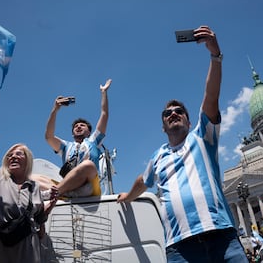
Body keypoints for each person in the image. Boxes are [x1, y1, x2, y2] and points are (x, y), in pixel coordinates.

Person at [117, 25, 248, 262]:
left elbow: (211, 97)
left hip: (222, 238)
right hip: (180, 248)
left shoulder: (203, 138)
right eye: (167, 113)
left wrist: (215, 57)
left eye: (179, 111)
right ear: (163, 126)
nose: (173, 113)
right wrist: (126, 197)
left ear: (189, 122)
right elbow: (141, 181)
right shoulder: (158, 156)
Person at [0, 107, 58, 263]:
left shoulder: (34, 186)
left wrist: (51, 204)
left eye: (19, 154)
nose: (13, 156)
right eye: (10, 155)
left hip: (28, 254)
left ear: (27, 160)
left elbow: (39, 219)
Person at [41, 79, 112, 199]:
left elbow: (104, 114)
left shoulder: (94, 141)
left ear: (89, 132)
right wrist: (55, 110)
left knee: (88, 165)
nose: (78, 126)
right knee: (35, 178)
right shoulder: (65, 147)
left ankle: (53, 193)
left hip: (89, 188)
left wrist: (104, 92)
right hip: (69, 189)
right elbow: (49, 137)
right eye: (75, 126)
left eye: (82, 125)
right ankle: (59, 193)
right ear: (72, 133)